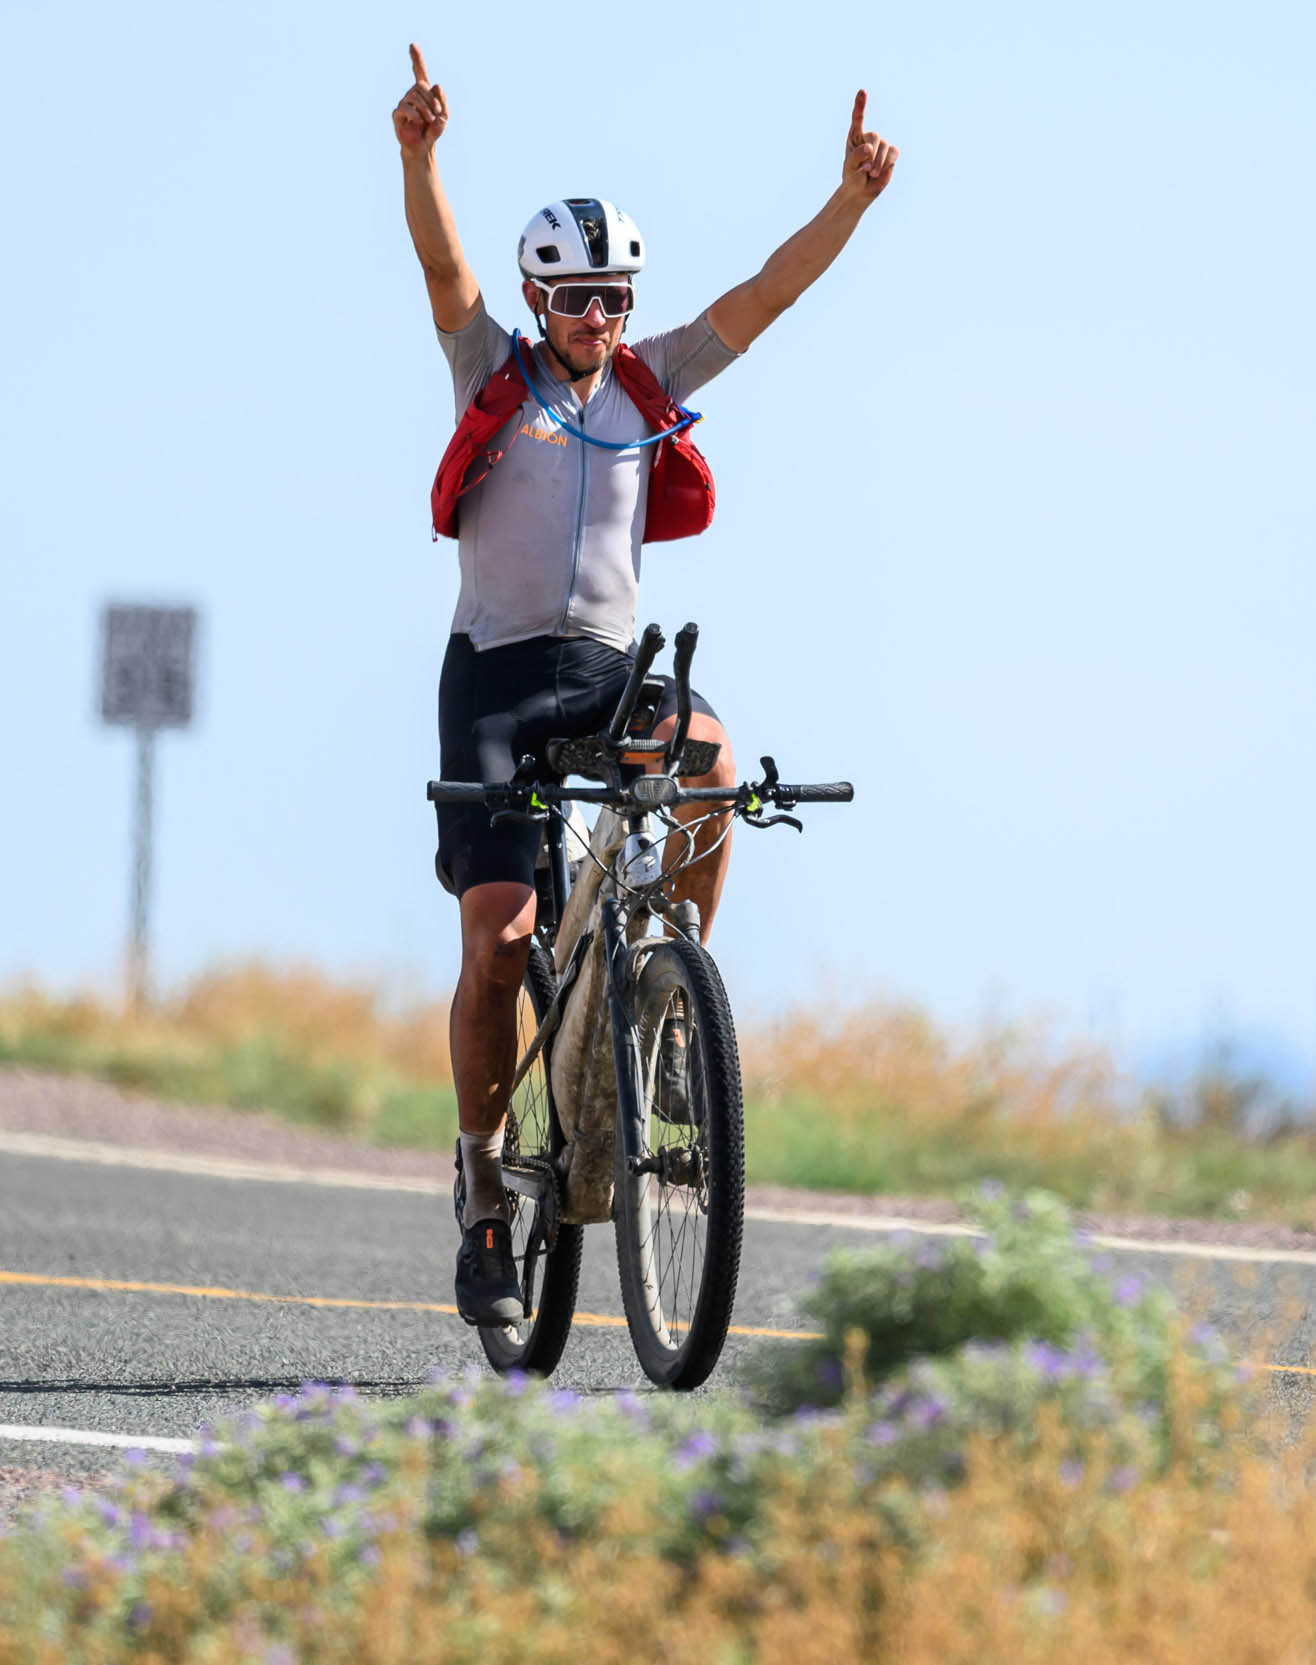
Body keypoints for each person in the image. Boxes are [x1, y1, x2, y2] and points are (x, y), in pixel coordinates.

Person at [394, 43, 899, 1325]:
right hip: (498, 682)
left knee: (717, 764)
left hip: (609, 673)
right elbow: (441, 271)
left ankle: (670, 1010)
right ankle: (483, 1199)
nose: (597, 318)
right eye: (573, 300)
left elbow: (764, 298)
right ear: (535, 298)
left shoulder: (649, 380)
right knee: (499, 941)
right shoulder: (487, 373)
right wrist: (420, 155)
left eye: (612, 296)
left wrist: (844, 203)